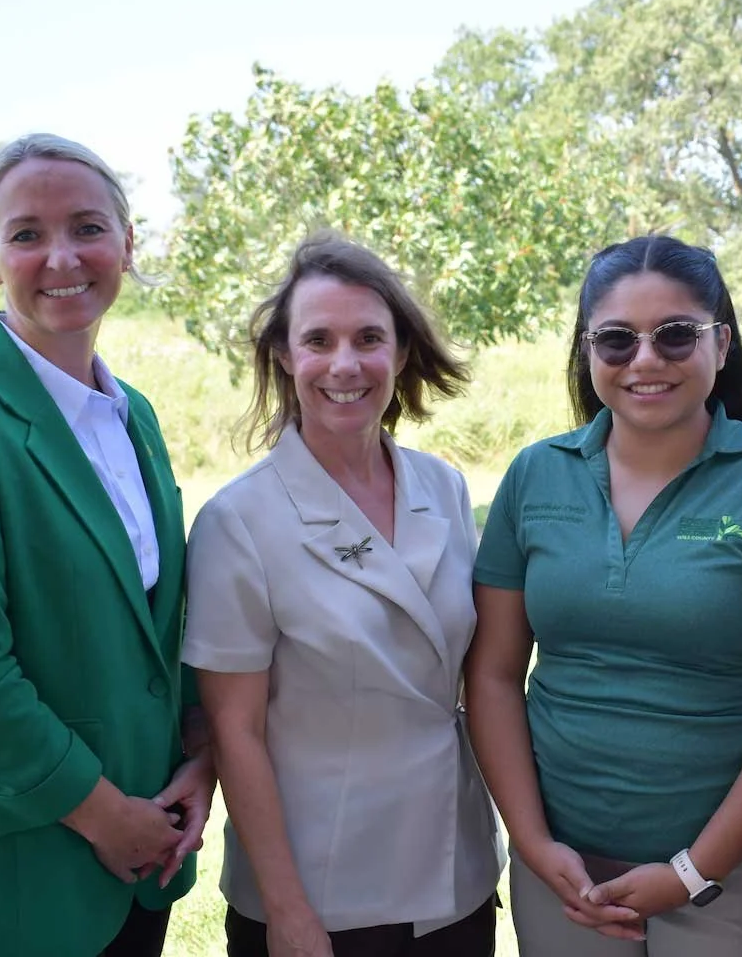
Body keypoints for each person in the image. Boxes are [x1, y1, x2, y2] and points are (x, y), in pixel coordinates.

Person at [0, 134, 213, 957]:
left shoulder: (137, 417)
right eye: (26, 234)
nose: (62, 256)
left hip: (143, 861)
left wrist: (200, 761)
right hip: (17, 870)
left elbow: (158, 625)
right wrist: (103, 816)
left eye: (88, 227)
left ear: (127, 244)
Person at [465, 234, 742, 955]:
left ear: (722, 343)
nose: (646, 360)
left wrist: (691, 872)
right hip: (565, 880)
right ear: (586, 351)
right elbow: (490, 676)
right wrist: (532, 842)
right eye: (615, 340)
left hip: (732, 881)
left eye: (676, 335)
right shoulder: (533, 477)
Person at [182, 233, 504, 957]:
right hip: (324, 893)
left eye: (369, 338)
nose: (345, 364)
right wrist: (289, 913)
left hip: (456, 873)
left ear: (401, 352)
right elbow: (237, 733)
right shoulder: (239, 522)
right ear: (286, 356)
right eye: (318, 340)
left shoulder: (443, 488)